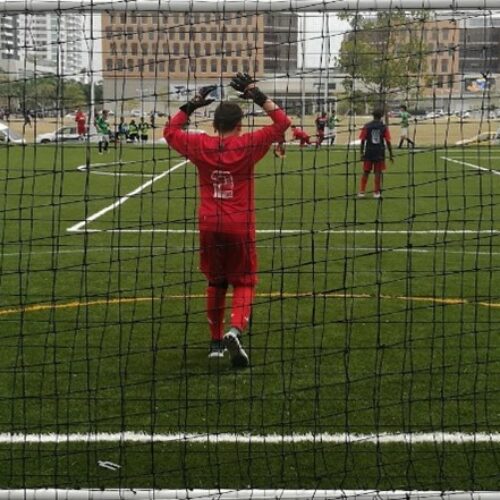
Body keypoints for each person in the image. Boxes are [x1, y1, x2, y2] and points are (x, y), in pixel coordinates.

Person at [164, 73, 291, 367]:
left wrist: (192, 104)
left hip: (209, 224)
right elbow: (283, 123)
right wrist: (255, 94)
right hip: (239, 224)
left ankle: (215, 343)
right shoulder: (249, 143)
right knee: (245, 281)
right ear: (240, 124)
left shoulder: (200, 145)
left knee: (216, 282)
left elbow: (170, 131)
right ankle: (235, 329)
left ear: (214, 124)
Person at [358, 109, 394, 199]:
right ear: (381, 116)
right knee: (378, 172)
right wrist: (391, 154)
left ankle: (362, 191)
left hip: (369, 152)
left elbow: (362, 140)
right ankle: (376, 192)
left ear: (373, 116)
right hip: (379, 152)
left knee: (366, 172)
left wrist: (361, 153)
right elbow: (388, 141)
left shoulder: (367, 126)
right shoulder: (383, 127)